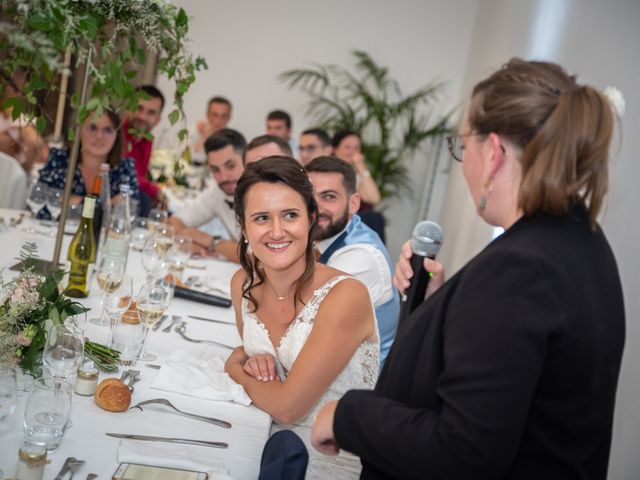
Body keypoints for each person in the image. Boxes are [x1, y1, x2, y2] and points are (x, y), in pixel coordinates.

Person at [311, 58, 625, 479]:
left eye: (462, 147)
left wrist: (348, 415)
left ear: (492, 153)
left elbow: (463, 451)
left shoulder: (522, 267)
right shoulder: (582, 241)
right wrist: (442, 306)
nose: (464, 165)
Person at [224, 156, 379, 479]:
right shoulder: (243, 283)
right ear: (243, 226)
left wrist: (234, 369)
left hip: (323, 464)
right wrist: (249, 360)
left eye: (290, 215)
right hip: (255, 441)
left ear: (311, 219)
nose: (277, 231)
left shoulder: (345, 295)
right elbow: (257, 359)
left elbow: (287, 407)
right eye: (262, 218)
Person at [306, 156, 399, 368]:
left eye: (328, 197)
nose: (315, 207)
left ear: (354, 203)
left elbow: (302, 328)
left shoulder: (360, 257)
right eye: (308, 197)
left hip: (358, 392)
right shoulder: (323, 238)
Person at [168, 128, 246, 261]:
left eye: (230, 166)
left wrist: (211, 241)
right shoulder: (217, 192)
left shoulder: (263, 194)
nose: (223, 177)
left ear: (247, 160)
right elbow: (175, 221)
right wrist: (189, 242)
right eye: (215, 170)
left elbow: (257, 257)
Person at [38, 108, 140, 207]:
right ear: (79, 130)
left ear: (116, 136)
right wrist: (106, 205)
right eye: (92, 128)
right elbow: (41, 201)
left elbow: (129, 210)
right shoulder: (59, 159)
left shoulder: (125, 167)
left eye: (107, 130)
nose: (99, 136)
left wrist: (74, 201)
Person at [122, 85, 165, 214]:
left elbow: (140, 175)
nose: (142, 117)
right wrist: (154, 190)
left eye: (151, 112)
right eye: (139, 108)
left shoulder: (147, 138)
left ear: (158, 119)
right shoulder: (116, 133)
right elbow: (127, 174)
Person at [332, 130, 381, 207]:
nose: (353, 152)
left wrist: (361, 166)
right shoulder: (328, 171)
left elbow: (374, 199)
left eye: (357, 147)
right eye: (347, 147)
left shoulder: (357, 174)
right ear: (336, 150)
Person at [191, 96, 232, 164]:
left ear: (229, 117)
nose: (219, 120)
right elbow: (192, 161)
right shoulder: (195, 131)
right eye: (215, 115)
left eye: (224, 116)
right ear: (207, 115)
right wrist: (203, 137)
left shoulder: (233, 139)